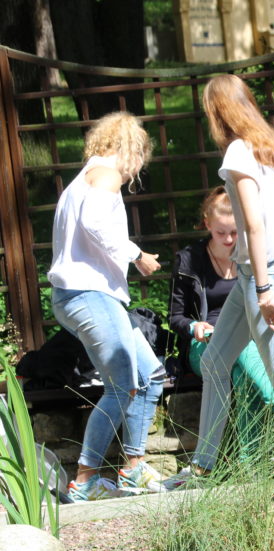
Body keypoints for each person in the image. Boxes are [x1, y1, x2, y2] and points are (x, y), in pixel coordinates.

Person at [169, 73, 274, 488]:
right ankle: (204, 468)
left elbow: (254, 226)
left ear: (217, 111)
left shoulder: (240, 153)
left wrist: (265, 286)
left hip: (259, 278)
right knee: (214, 362)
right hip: (263, 270)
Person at [47, 111, 165, 502]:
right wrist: (138, 255)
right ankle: (85, 481)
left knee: (149, 375)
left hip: (87, 295)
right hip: (88, 294)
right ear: (131, 150)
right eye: (139, 161)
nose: (135, 172)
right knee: (121, 386)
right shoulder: (106, 173)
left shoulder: (82, 179)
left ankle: (131, 469)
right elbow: (95, 221)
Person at [167, 186, 274, 460]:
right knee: (254, 372)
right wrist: (194, 326)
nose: (229, 239)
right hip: (205, 344)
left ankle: (250, 463)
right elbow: (175, 317)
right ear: (207, 224)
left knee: (246, 376)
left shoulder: (254, 255)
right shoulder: (189, 260)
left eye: (235, 232)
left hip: (252, 339)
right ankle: (258, 458)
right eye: (221, 233)